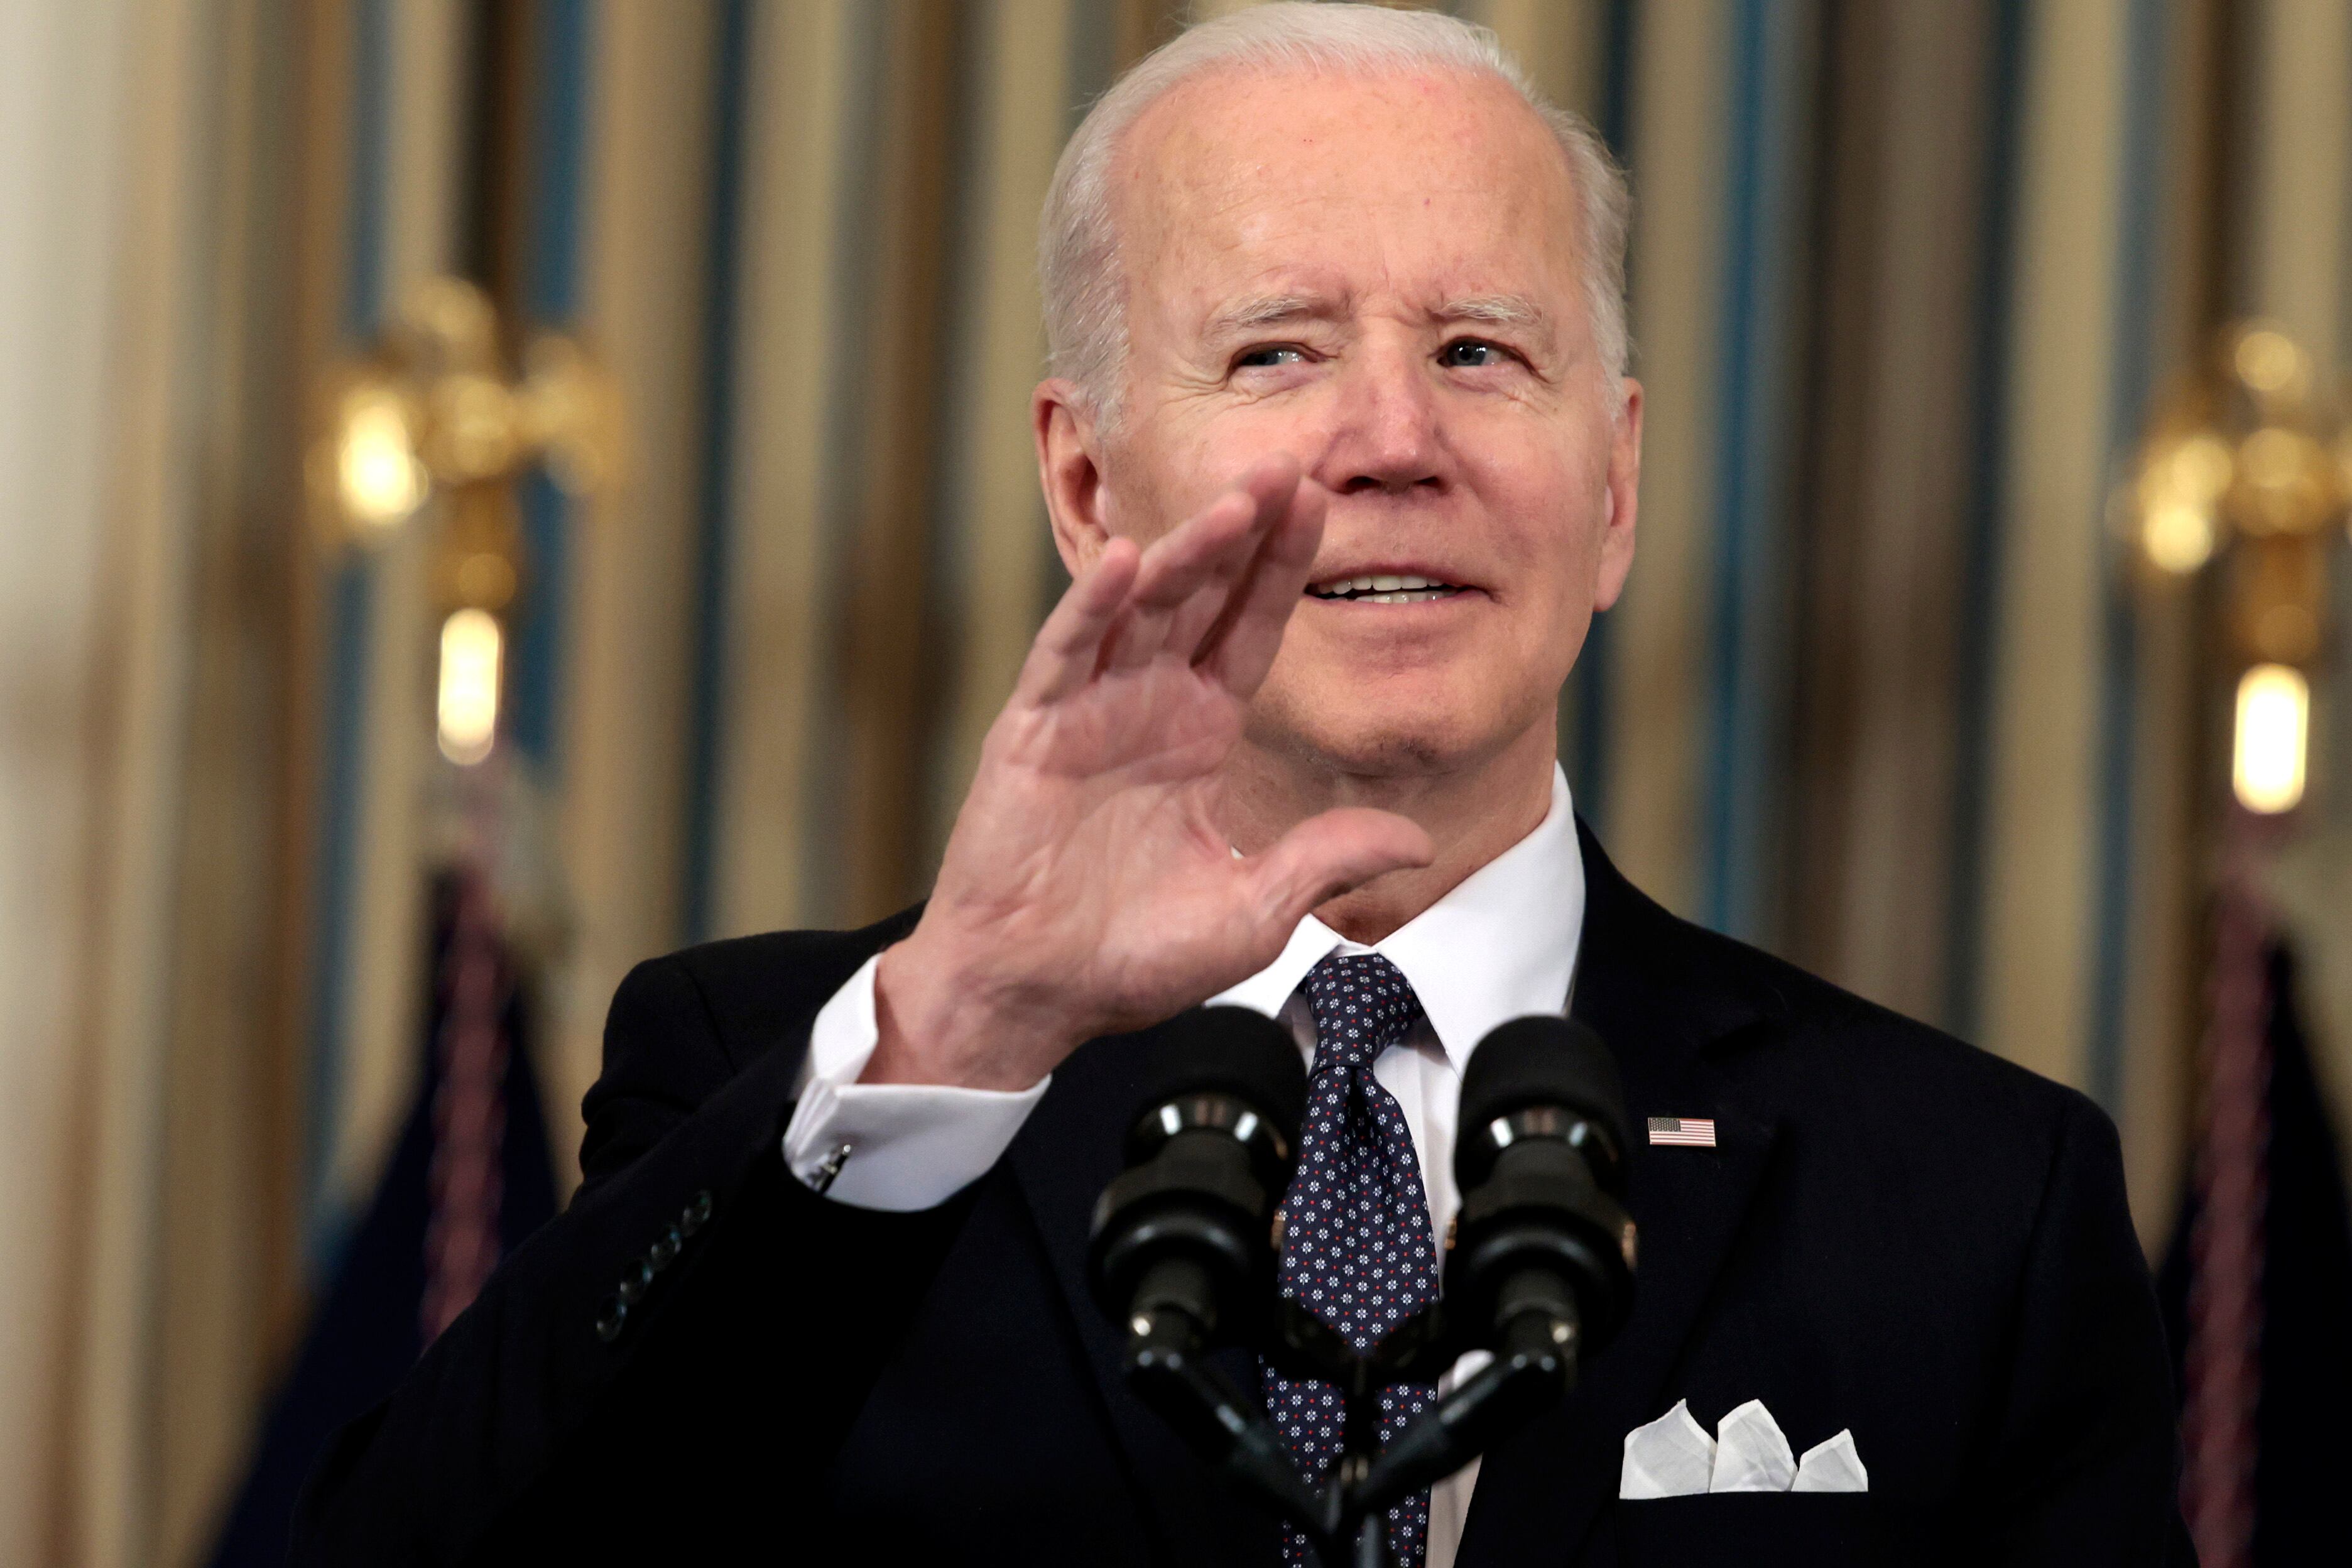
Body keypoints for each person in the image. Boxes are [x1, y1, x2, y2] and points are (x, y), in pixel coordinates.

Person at [292, 6, 2189, 1565]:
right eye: (1276, 354)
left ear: (1613, 486)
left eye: (1478, 350)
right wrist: (964, 1020)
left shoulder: (1974, 1203)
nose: (1391, 438)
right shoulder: (787, 1075)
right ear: (1087, 482)